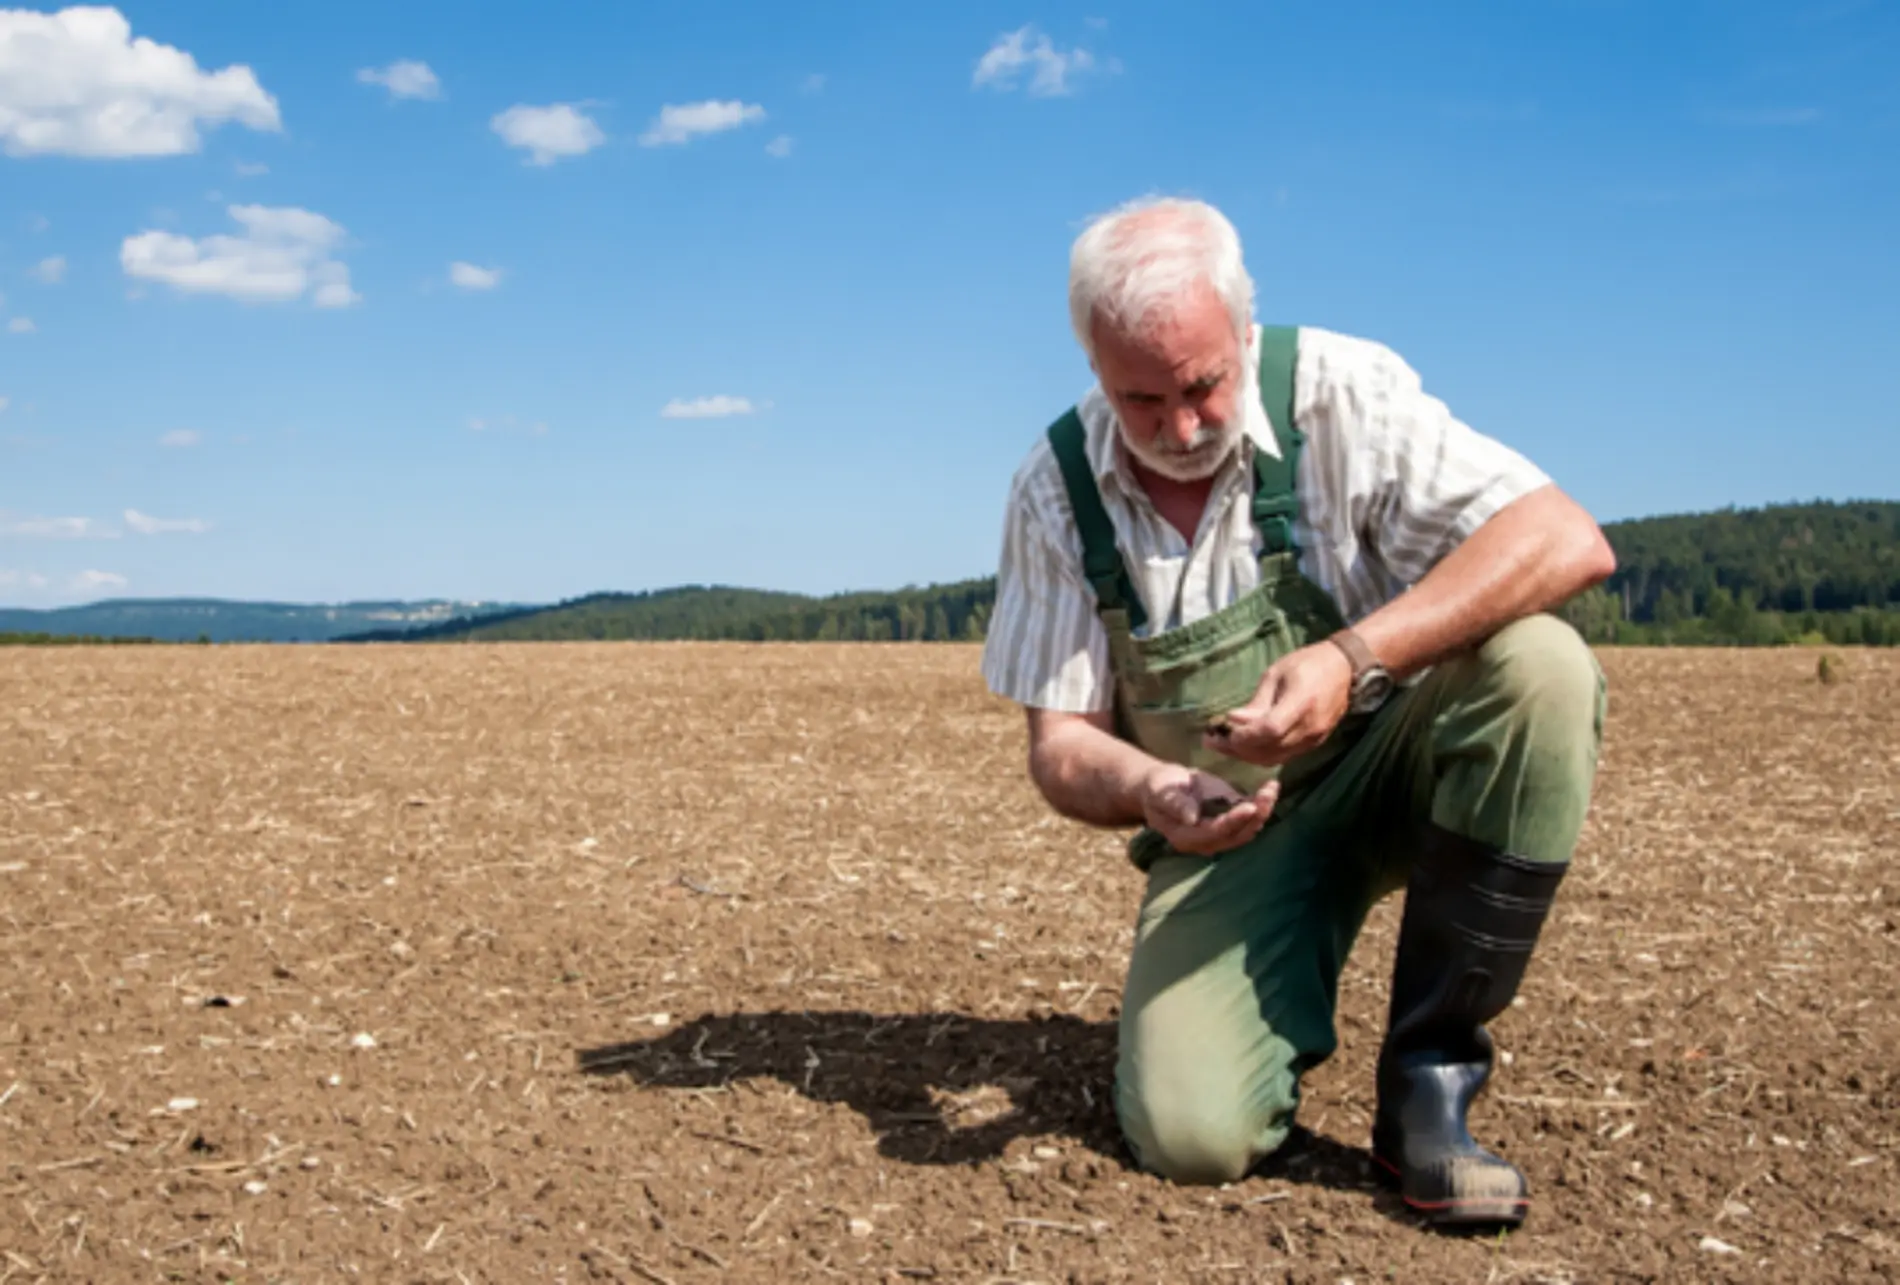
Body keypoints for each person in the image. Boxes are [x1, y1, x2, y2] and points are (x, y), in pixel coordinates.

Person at [979, 194, 1614, 1230]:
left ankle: (1429, 1084)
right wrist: (1153, 788)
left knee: (1542, 666)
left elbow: (1562, 539)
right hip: (1237, 832)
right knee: (1192, 1139)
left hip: (1406, 756)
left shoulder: (1339, 391)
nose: (1180, 427)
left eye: (1203, 384)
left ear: (1243, 326)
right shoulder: (1053, 489)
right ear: (1090, 364)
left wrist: (1352, 657)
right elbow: (1059, 746)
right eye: (1140, 399)